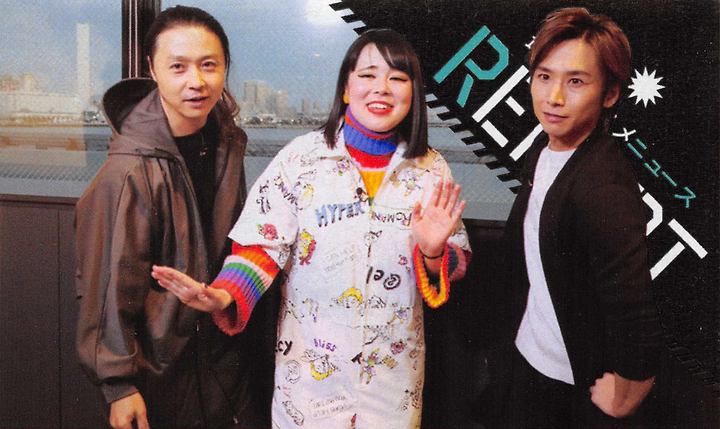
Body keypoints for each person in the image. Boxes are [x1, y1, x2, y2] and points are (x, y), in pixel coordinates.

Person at [152, 28, 472, 429]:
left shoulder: (430, 169)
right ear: (346, 88)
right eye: (368, 75)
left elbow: (454, 263)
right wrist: (222, 294)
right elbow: (261, 247)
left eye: (397, 77)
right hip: (310, 381)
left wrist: (433, 252)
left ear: (413, 93)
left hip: (393, 381)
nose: (382, 88)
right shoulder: (300, 160)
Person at [75, 6, 274, 429]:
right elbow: (106, 287)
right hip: (160, 373)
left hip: (223, 358)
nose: (196, 81)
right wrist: (118, 386)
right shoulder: (128, 170)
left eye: (209, 65)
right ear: (152, 69)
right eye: (178, 67)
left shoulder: (225, 144)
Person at [497, 8, 663, 428]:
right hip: (527, 359)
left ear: (609, 93)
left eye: (576, 81)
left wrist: (627, 394)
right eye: (544, 76)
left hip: (567, 387)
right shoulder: (544, 149)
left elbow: (635, 307)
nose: (553, 97)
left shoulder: (602, 185)